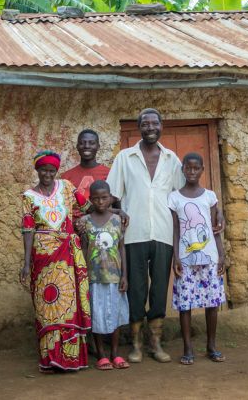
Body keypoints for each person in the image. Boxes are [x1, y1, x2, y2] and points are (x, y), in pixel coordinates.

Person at [107, 108, 224, 364]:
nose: (150, 127)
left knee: (159, 288)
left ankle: (156, 343)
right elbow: (113, 196)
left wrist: (216, 212)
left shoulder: (172, 160)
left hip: (164, 235)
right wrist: (118, 212)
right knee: (137, 289)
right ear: (139, 127)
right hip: (133, 234)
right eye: (145, 124)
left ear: (162, 127)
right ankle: (136, 344)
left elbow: (187, 194)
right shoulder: (125, 158)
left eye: (155, 123)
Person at [19, 150, 91, 374]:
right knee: (47, 306)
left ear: (56, 171)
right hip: (42, 259)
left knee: (67, 305)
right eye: (43, 170)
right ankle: (50, 359)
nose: (48, 174)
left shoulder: (67, 187)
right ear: (37, 171)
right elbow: (28, 230)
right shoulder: (28, 197)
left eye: (51, 171)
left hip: (68, 256)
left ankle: (70, 359)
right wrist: (26, 261)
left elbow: (88, 208)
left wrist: (84, 223)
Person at [170, 152, 226, 365]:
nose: (192, 172)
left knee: (212, 302)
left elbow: (215, 228)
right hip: (185, 259)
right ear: (182, 169)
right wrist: (175, 256)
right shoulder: (174, 197)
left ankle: (211, 346)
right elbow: (175, 229)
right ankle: (188, 348)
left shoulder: (210, 196)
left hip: (210, 257)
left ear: (202, 169)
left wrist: (221, 254)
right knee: (186, 304)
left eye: (196, 168)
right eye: (188, 168)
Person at [79, 180, 130, 371]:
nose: (100, 201)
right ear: (90, 199)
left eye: (104, 197)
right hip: (94, 278)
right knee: (96, 315)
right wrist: (82, 275)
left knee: (115, 315)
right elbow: (83, 249)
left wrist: (125, 275)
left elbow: (121, 248)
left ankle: (115, 353)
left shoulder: (118, 220)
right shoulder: (84, 222)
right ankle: (101, 354)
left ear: (111, 199)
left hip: (115, 277)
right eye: (96, 198)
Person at [61, 129, 110, 200]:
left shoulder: (109, 174)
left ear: (98, 147)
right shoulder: (66, 177)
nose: (87, 146)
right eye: (82, 143)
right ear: (77, 146)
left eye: (92, 143)